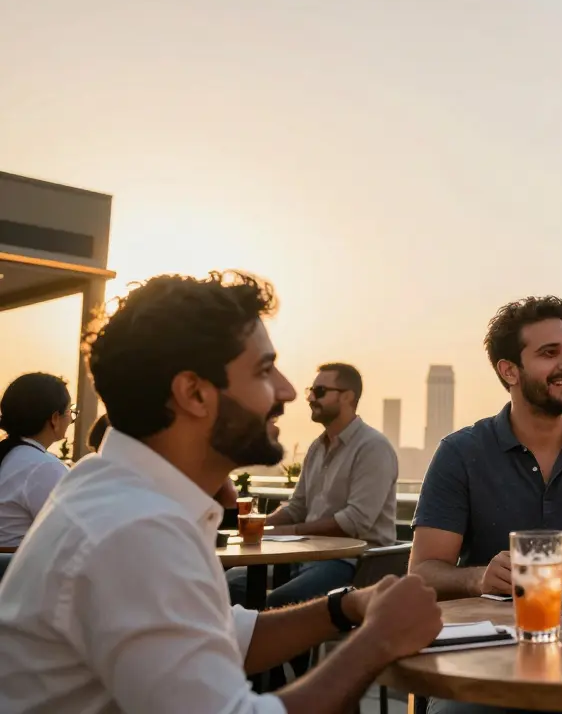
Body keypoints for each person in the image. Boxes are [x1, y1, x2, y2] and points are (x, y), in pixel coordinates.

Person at [0, 271, 443, 713]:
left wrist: (347, 607)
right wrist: (377, 641)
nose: (288, 391)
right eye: (265, 370)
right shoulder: (136, 529)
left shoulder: (110, 490)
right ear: (194, 393)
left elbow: (226, 634)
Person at [409, 295, 562, 596]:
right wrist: (478, 578)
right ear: (509, 371)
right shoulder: (460, 453)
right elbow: (422, 573)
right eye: (549, 353)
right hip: (493, 633)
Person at [229, 362, 399, 617]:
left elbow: (355, 521)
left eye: (319, 391)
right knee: (230, 583)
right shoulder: (317, 447)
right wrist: (261, 526)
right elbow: (298, 506)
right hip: (305, 557)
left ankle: (280, 656)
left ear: (347, 397)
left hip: (353, 564)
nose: (309, 398)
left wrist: (291, 531)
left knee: (282, 601)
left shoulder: (373, 448)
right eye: (311, 390)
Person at [0, 373, 73, 549]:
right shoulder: (43, 467)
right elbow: (71, 536)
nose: (71, 420)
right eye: (71, 412)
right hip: (19, 573)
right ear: (55, 418)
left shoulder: (10, 456)